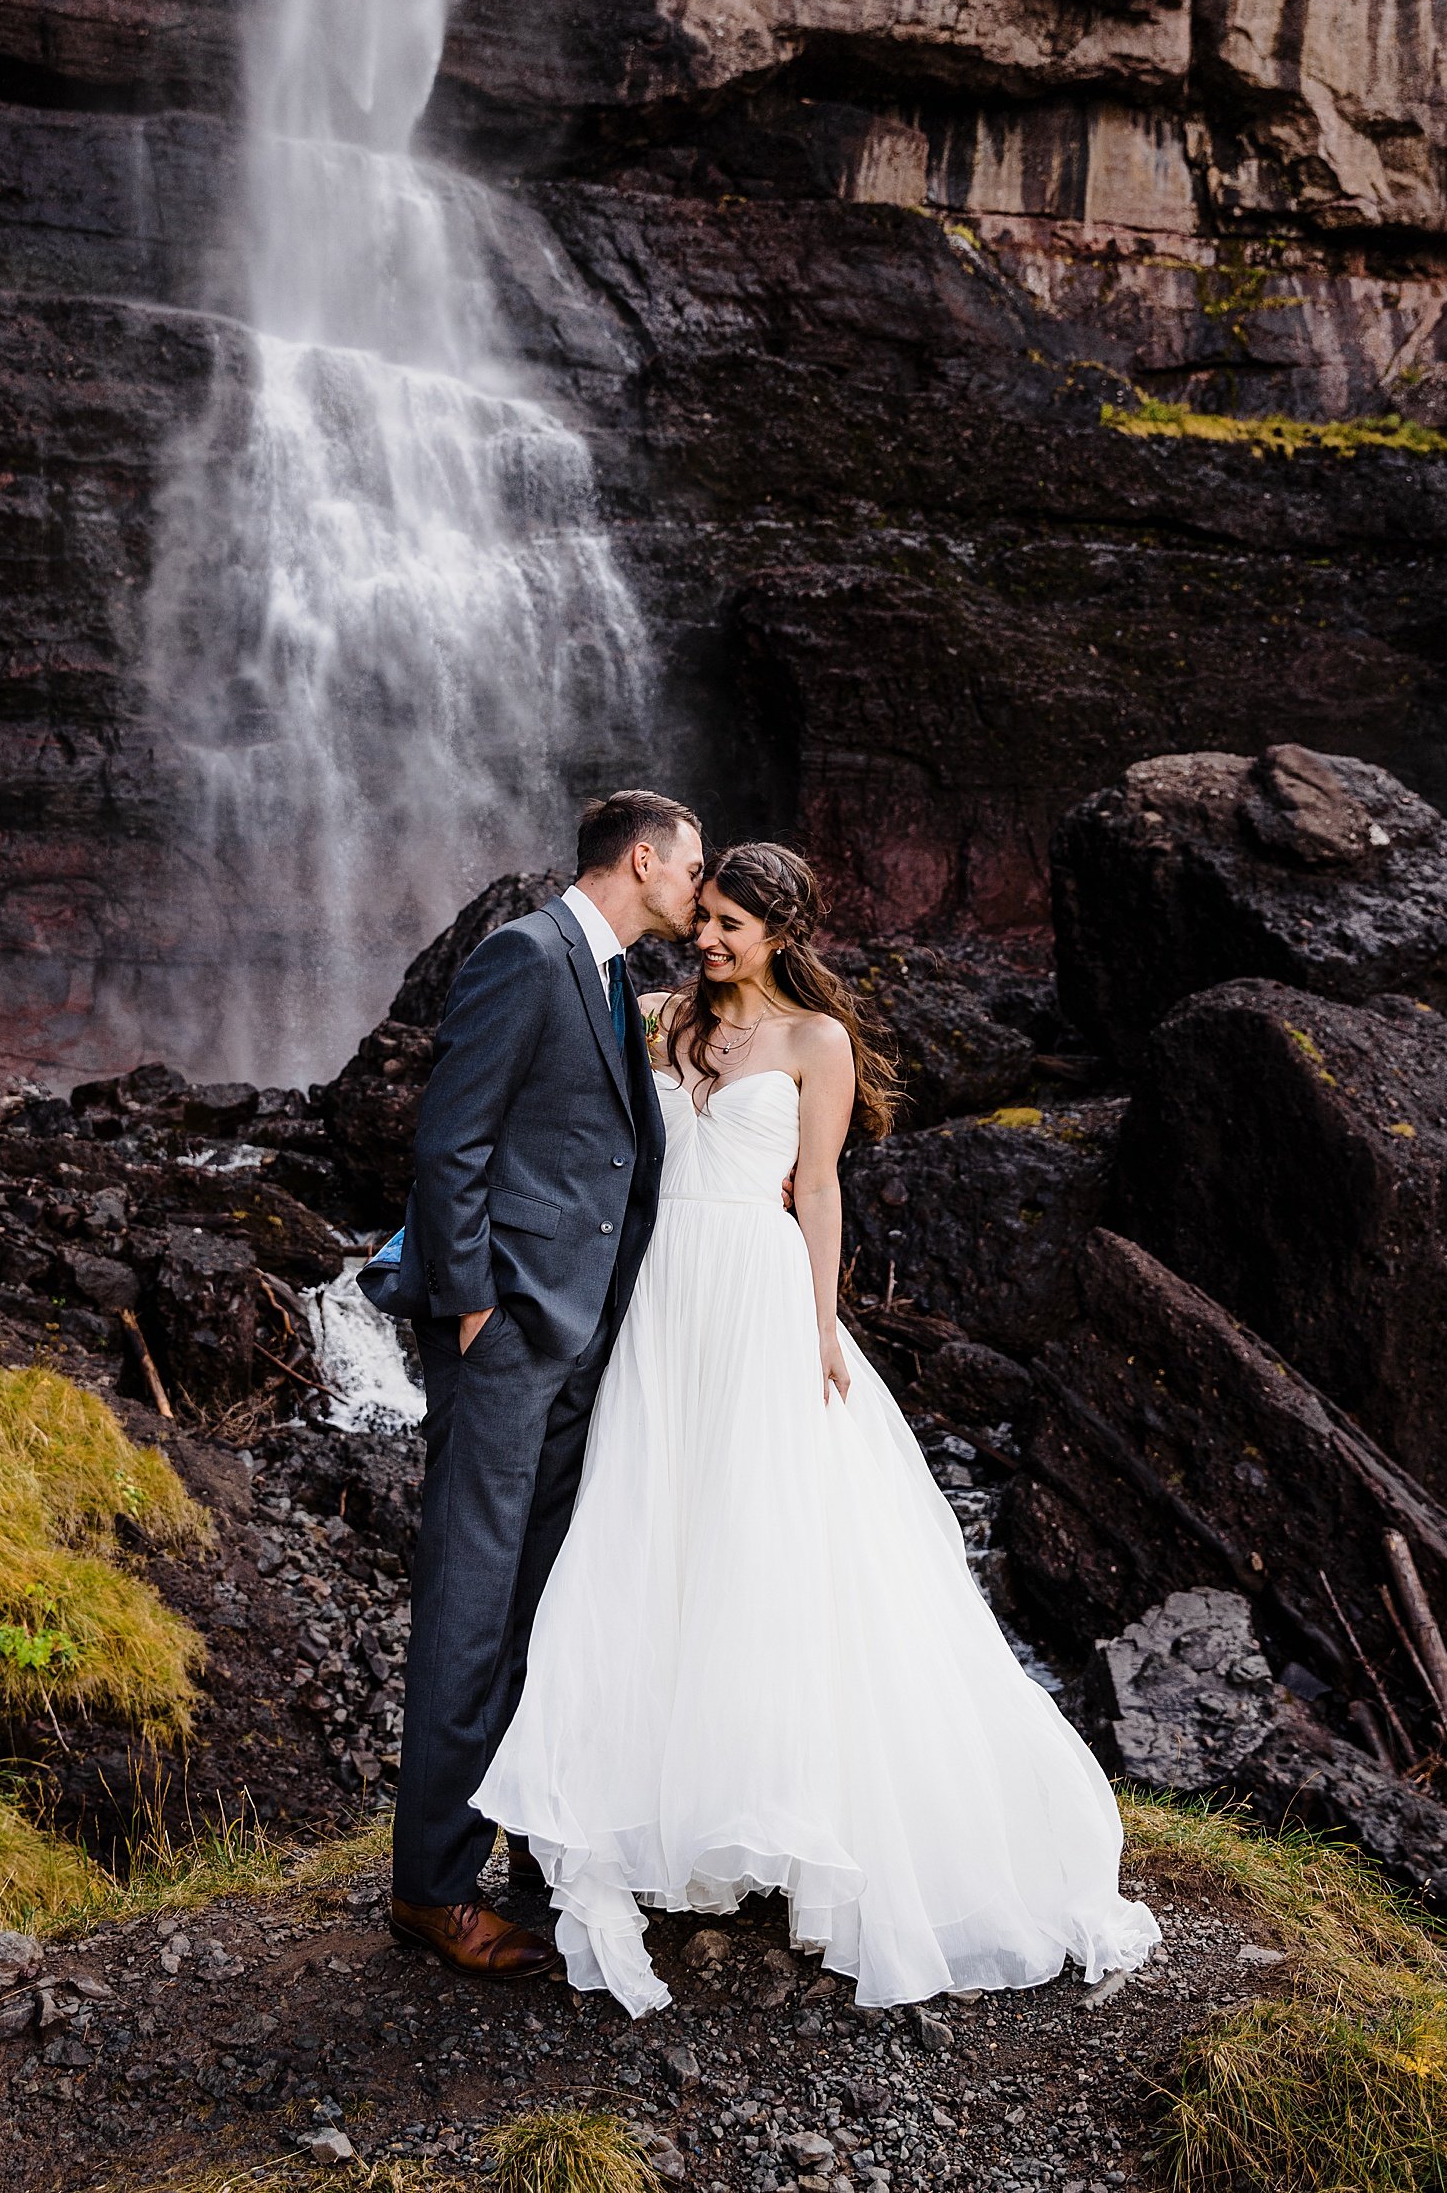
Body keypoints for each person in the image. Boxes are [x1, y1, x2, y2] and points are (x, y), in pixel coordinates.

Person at [476, 840, 1161, 2014]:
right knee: (650, 1527)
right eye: (709, 916)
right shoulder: (649, 1016)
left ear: (781, 935)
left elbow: (820, 1186)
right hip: (655, 1297)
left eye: (735, 925)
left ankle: (783, 1813)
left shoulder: (815, 1042)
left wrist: (824, 1321)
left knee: (761, 1538)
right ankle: (665, 1817)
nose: (711, 937)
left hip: (750, 1289)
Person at [386, 789, 706, 1978]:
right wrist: (472, 1300)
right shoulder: (528, 953)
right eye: (692, 866)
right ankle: (430, 1887)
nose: (699, 887)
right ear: (641, 859)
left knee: (540, 1599)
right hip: (511, 1332)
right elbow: (449, 1138)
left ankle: (529, 1835)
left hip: (579, 1334)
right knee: (472, 1606)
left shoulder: (615, 973)